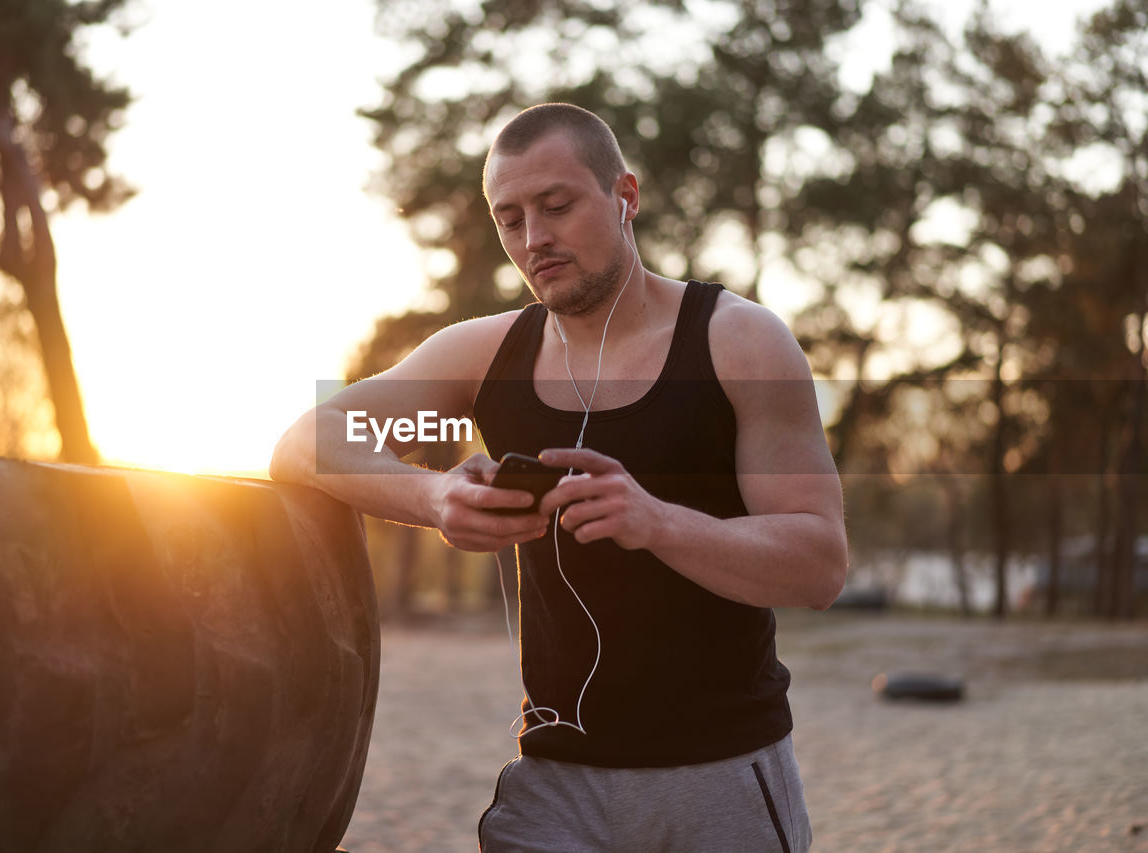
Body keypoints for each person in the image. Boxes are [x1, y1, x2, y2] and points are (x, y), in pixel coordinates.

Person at [270, 102, 846, 852]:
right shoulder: (486, 356)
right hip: (557, 784)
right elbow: (305, 440)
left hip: (722, 773)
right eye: (509, 219)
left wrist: (659, 521)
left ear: (625, 195)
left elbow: (820, 564)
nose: (534, 238)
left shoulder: (739, 342)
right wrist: (435, 494)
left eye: (557, 205)